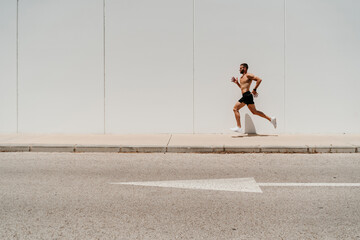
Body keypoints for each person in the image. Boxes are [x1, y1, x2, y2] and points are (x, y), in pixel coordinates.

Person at [230, 63, 277, 133]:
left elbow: (259, 80)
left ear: (245, 68)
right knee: (254, 112)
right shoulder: (241, 78)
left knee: (235, 109)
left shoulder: (248, 75)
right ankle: (271, 119)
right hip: (246, 95)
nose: (239, 69)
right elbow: (242, 88)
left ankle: (239, 127)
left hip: (247, 95)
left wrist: (254, 89)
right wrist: (237, 83)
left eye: (241, 68)